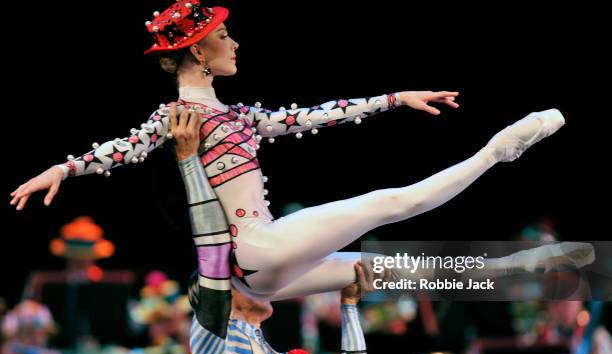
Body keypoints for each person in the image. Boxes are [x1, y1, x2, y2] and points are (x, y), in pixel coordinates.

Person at [10, 1, 590, 301]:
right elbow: (123, 148)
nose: (234, 41)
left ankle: (518, 269)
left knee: (385, 272)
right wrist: (60, 168)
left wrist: (394, 97)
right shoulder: (177, 116)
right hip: (252, 252)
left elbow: (314, 115)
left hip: (259, 274)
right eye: (222, 37)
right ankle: (498, 153)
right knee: (389, 203)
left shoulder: (236, 115)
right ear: (197, 54)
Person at [173, 261, 375, 354]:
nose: (260, 286)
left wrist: (349, 305)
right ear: (222, 296)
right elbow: (212, 258)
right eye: (248, 281)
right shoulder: (217, 347)